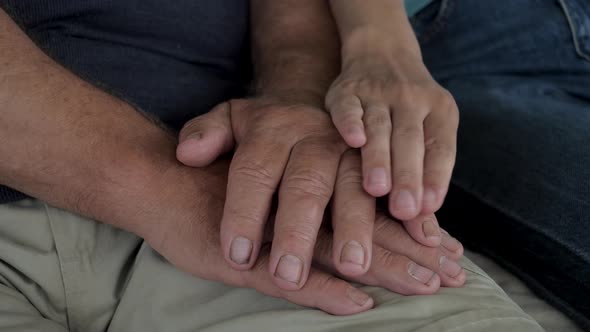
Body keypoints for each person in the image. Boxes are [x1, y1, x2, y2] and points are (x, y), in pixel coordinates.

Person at [0, 0, 547, 331]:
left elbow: (289, 16)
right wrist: (162, 188)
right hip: (179, 190)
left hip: (240, 180)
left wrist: (298, 114)